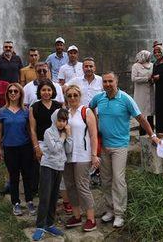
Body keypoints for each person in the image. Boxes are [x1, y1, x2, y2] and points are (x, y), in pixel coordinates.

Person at [89, 72, 160, 228]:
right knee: (106, 180)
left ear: (117, 81)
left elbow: (141, 118)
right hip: (103, 146)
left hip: (120, 146)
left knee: (118, 180)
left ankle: (120, 213)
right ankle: (110, 210)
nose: (107, 84)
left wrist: (152, 135)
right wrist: (94, 123)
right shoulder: (99, 98)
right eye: (105, 81)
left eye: (110, 81)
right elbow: (89, 109)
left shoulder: (126, 99)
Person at [0, 83, 36, 216]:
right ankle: (16, 203)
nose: (13, 93)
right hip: (9, 147)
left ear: (20, 94)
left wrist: (35, 146)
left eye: (15, 91)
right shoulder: (2, 111)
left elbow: (30, 130)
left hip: (25, 146)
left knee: (27, 175)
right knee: (13, 176)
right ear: (7, 94)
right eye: (10, 91)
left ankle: (29, 201)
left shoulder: (26, 110)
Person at [62, 84, 99, 232]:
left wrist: (94, 154)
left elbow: (93, 134)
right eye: (69, 95)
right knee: (70, 186)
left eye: (75, 95)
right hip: (67, 155)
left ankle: (91, 219)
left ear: (80, 96)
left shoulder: (86, 111)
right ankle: (77, 216)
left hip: (83, 154)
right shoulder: (64, 112)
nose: (72, 98)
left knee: (82, 186)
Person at [32, 109, 72, 241]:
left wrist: (69, 136)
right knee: (45, 196)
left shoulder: (64, 133)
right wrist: (63, 138)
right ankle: (40, 226)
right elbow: (54, 149)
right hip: (48, 166)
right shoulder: (48, 132)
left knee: (54, 196)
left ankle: (49, 223)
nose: (61, 123)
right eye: (59, 120)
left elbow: (68, 150)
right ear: (54, 120)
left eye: (64, 121)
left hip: (59, 167)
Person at [29, 79, 63, 204]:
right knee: (45, 172)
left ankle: (57, 194)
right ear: (39, 91)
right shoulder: (34, 107)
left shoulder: (58, 106)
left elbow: (64, 125)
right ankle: (44, 198)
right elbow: (32, 129)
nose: (46, 92)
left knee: (58, 170)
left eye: (49, 90)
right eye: (43, 90)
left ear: (53, 91)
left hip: (57, 143)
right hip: (42, 143)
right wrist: (36, 147)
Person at [131, 50, 155, 136]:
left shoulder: (152, 65)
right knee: (142, 114)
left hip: (151, 90)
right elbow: (133, 78)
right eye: (147, 56)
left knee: (151, 113)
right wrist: (146, 78)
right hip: (141, 93)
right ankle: (142, 134)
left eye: (149, 56)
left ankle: (151, 134)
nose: (149, 58)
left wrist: (152, 80)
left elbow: (154, 75)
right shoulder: (136, 66)